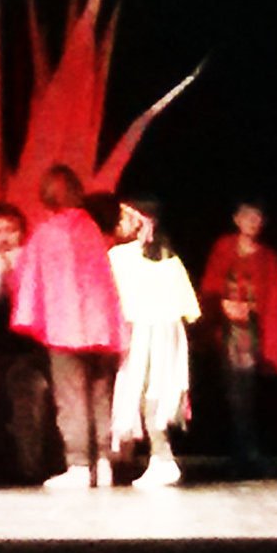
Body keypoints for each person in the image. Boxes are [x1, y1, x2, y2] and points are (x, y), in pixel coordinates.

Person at [12, 167, 128, 490]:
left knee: (71, 397)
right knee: (101, 395)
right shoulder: (91, 228)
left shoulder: (46, 232)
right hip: (101, 326)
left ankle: (78, 465)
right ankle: (104, 463)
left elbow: (27, 277)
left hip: (65, 327)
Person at [196, 203, 277, 471]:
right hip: (226, 330)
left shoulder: (268, 257)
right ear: (236, 219)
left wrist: (252, 310)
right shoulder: (224, 247)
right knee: (233, 391)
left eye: (258, 217)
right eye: (247, 216)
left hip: (253, 332)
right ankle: (239, 450)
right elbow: (211, 285)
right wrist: (223, 305)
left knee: (249, 391)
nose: (253, 221)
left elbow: (274, 299)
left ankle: (250, 450)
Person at [107, 197, 198, 489]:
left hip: (146, 332)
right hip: (165, 331)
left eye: (125, 218)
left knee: (148, 394)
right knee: (152, 395)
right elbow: (187, 307)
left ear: (140, 223)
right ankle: (159, 457)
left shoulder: (120, 256)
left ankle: (163, 457)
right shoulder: (169, 258)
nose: (120, 224)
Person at [0, 202, 53, 483]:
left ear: (22, 233)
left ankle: (30, 468)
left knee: (29, 410)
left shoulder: (34, 262)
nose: (3, 238)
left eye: (10, 230)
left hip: (29, 351)